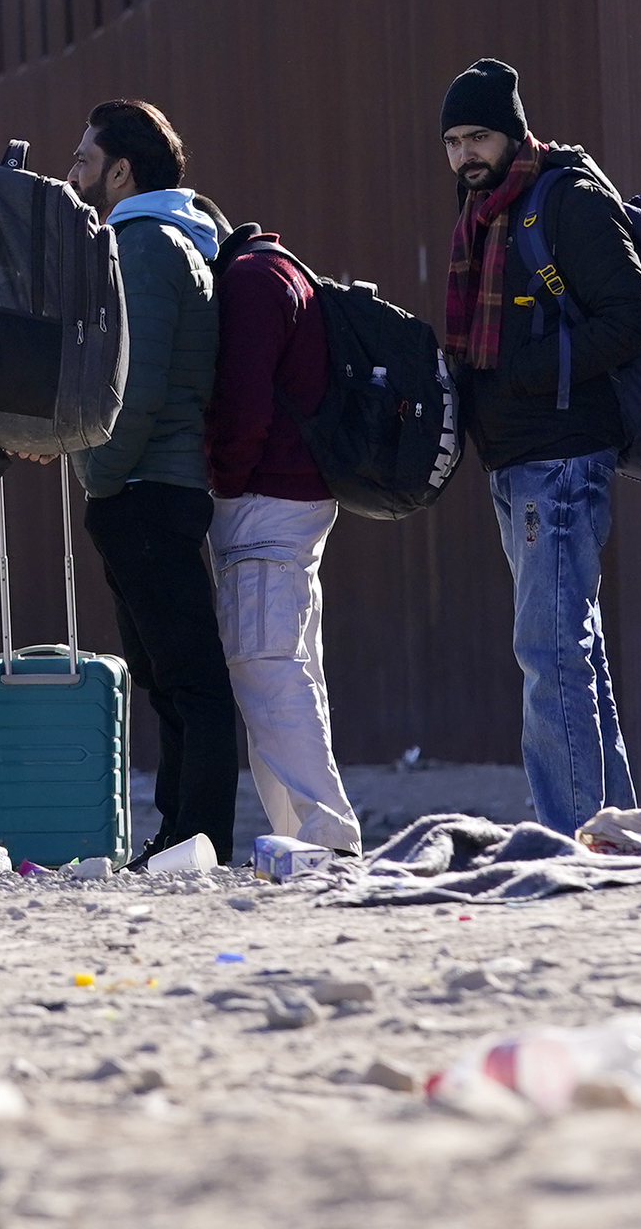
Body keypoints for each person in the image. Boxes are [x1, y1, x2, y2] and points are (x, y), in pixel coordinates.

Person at [439, 57, 641, 832]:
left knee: (549, 651)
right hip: (514, 458)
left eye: (480, 136)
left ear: (514, 133)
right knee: (574, 652)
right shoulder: (482, 212)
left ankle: (572, 836)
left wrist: (531, 369)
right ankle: (615, 830)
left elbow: (635, 317)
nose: (466, 153)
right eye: (455, 139)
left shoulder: (565, 200)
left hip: (562, 456)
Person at [61, 98, 240, 866]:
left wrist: (99, 477)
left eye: (83, 160)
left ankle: (199, 837)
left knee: (189, 678)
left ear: (121, 170)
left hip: (144, 489)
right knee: (166, 678)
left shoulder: (144, 244)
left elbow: (137, 384)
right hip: (147, 488)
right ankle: (176, 836)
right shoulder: (177, 238)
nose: (72, 174)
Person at [204, 198, 365, 856]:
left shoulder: (247, 283)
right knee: (287, 668)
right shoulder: (282, 268)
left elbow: (242, 405)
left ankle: (326, 833)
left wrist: (226, 479)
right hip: (296, 500)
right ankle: (300, 835)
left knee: (265, 664)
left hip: (266, 500)